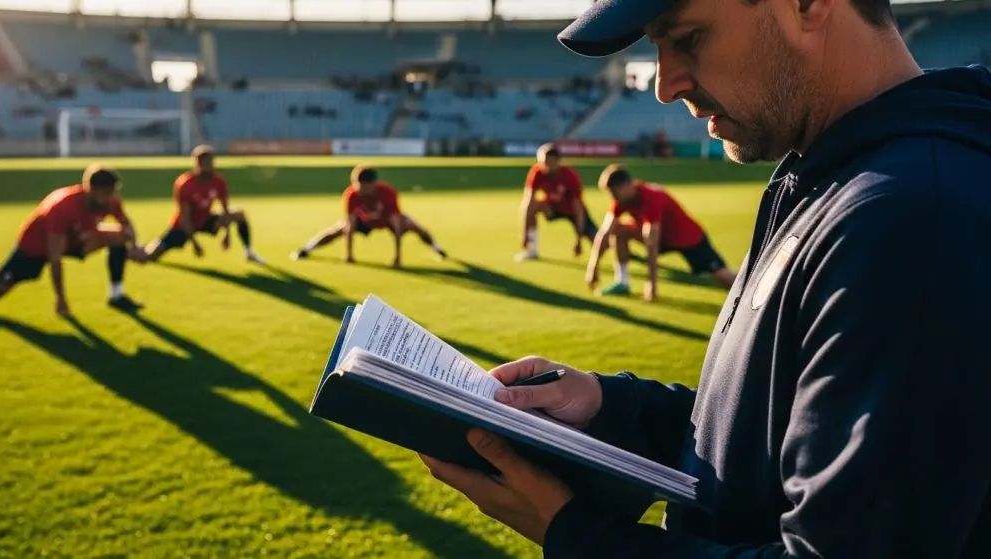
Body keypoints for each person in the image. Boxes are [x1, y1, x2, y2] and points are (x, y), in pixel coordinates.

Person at [419, 0, 991, 554]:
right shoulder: (835, 174)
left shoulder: (913, 214)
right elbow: (777, 432)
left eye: (688, 38)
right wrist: (611, 407)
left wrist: (579, 536)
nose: (666, 86)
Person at [0, 165, 146, 317]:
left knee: (119, 236)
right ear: (90, 190)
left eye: (112, 193)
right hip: (35, 248)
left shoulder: (110, 201)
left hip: (74, 239)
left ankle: (116, 295)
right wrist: (61, 299)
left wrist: (135, 246)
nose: (110, 198)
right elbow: (55, 258)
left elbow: (126, 224)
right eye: (106, 193)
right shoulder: (62, 207)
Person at [586, 164, 736, 301]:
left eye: (614, 192)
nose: (613, 197)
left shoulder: (651, 197)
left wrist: (652, 283)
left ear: (626, 186)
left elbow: (652, 243)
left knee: (721, 275)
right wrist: (593, 268)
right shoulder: (621, 200)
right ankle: (622, 282)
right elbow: (604, 232)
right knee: (619, 231)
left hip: (688, 238)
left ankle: (749, 291)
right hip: (662, 239)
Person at [290, 165, 447, 268]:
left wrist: (398, 258)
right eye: (357, 185)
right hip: (364, 220)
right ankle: (305, 249)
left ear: (374, 184)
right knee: (337, 230)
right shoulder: (351, 194)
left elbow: (397, 223)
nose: (360, 189)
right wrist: (349, 256)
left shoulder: (388, 193)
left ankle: (437, 249)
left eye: (364, 187)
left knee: (415, 227)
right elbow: (350, 223)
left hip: (388, 219)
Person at [143, 145, 265, 264]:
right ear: (197, 163)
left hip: (205, 219)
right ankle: (138, 249)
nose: (207, 165)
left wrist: (227, 235)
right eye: (203, 162)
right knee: (150, 256)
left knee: (239, 214)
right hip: (184, 225)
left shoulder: (218, 182)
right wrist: (194, 244)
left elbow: (225, 209)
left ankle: (248, 251)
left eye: (209, 161)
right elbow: (185, 217)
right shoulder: (185, 183)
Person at [515, 143, 598, 261]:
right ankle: (532, 249)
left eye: (549, 162)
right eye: (543, 162)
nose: (545, 166)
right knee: (534, 206)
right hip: (553, 208)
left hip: (572, 210)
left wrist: (578, 240)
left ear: (558, 161)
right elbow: (528, 202)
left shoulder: (570, 176)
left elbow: (578, 207)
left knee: (597, 240)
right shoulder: (537, 172)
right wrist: (525, 234)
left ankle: (617, 255)